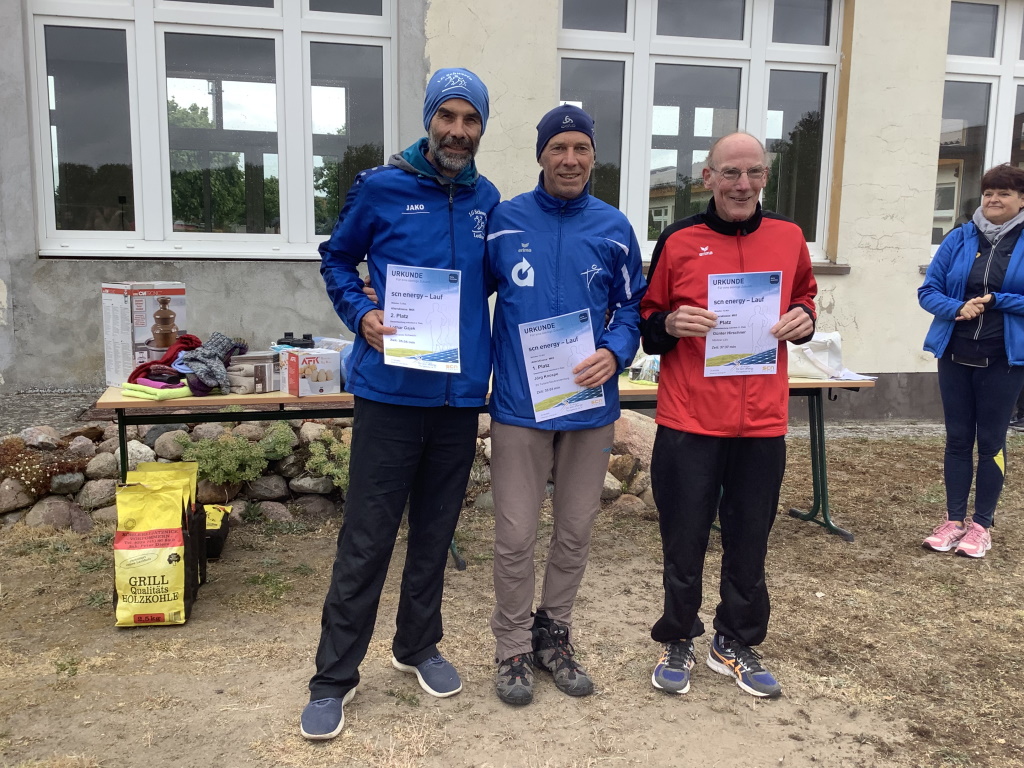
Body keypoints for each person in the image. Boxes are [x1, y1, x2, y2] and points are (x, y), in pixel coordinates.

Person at [301, 67, 499, 741]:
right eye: (448, 116)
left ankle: (417, 644)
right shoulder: (381, 188)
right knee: (367, 538)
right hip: (389, 394)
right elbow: (336, 259)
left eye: (470, 119)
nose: (458, 131)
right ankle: (333, 678)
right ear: (428, 119)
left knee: (436, 534)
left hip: (456, 397)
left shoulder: (487, 200)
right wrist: (361, 315)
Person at [639, 132, 817, 700]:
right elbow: (648, 319)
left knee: (749, 538)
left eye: (755, 173)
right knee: (683, 536)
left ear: (766, 177)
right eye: (731, 174)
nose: (744, 185)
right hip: (691, 420)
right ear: (708, 178)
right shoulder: (680, 239)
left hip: (761, 421)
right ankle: (678, 637)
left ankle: (734, 640)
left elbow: (806, 299)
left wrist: (803, 319)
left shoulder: (788, 236)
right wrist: (669, 325)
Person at [485, 105, 646, 706]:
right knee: (515, 535)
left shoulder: (613, 227)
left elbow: (633, 305)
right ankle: (512, 649)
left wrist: (616, 351)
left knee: (574, 531)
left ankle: (553, 636)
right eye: (559, 148)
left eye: (581, 148)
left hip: (587, 406)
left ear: (593, 157)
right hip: (520, 408)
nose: (570, 159)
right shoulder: (504, 222)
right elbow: (468, 295)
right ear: (541, 155)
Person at [919, 163, 1024, 559]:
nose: (994, 200)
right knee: (958, 439)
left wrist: (999, 300)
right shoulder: (959, 238)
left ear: (1021, 200)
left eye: (1004, 194)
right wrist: (955, 308)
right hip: (955, 353)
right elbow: (927, 290)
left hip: (1004, 359)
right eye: (988, 193)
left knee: (992, 440)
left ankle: (982, 525)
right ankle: (953, 521)